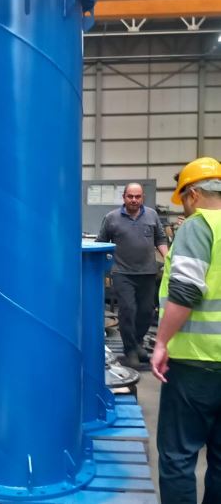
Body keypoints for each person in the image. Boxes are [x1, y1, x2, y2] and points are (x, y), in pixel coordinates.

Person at [151, 157, 221, 504]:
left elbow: (185, 290)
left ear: (193, 194)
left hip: (196, 363)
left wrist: (161, 342)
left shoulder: (199, 225)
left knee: (178, 456)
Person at [97, 183, 168, 367]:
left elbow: (160, 238)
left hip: (148, 272)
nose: (134, 200)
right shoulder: (112, 218)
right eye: (130, 196)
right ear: (124, 197)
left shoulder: (152, 215)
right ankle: (130, 350)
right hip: (122, 273)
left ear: (142, 197)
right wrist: (104, 266)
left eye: (137, 196)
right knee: (128, 311)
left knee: (146, 312)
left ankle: (137, 343)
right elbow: (101, 242)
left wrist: (167, 258)